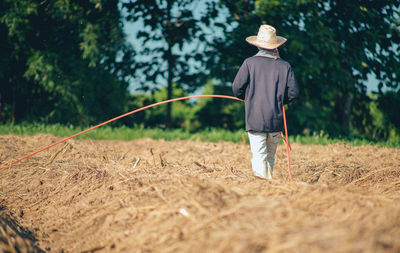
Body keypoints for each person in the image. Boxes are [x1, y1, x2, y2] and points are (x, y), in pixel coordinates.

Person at [232, 24, 299, 180]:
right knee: (269, 157)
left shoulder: (249, 63)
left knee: (260, 156)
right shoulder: (285, 66)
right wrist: (280, 101)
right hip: (276, 121)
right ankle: (270, 189)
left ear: (258, 44)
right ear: (275, 46)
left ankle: (264, 190)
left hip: (255, 120)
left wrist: (248, 98)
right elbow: (294, 92)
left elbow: (236, 89)